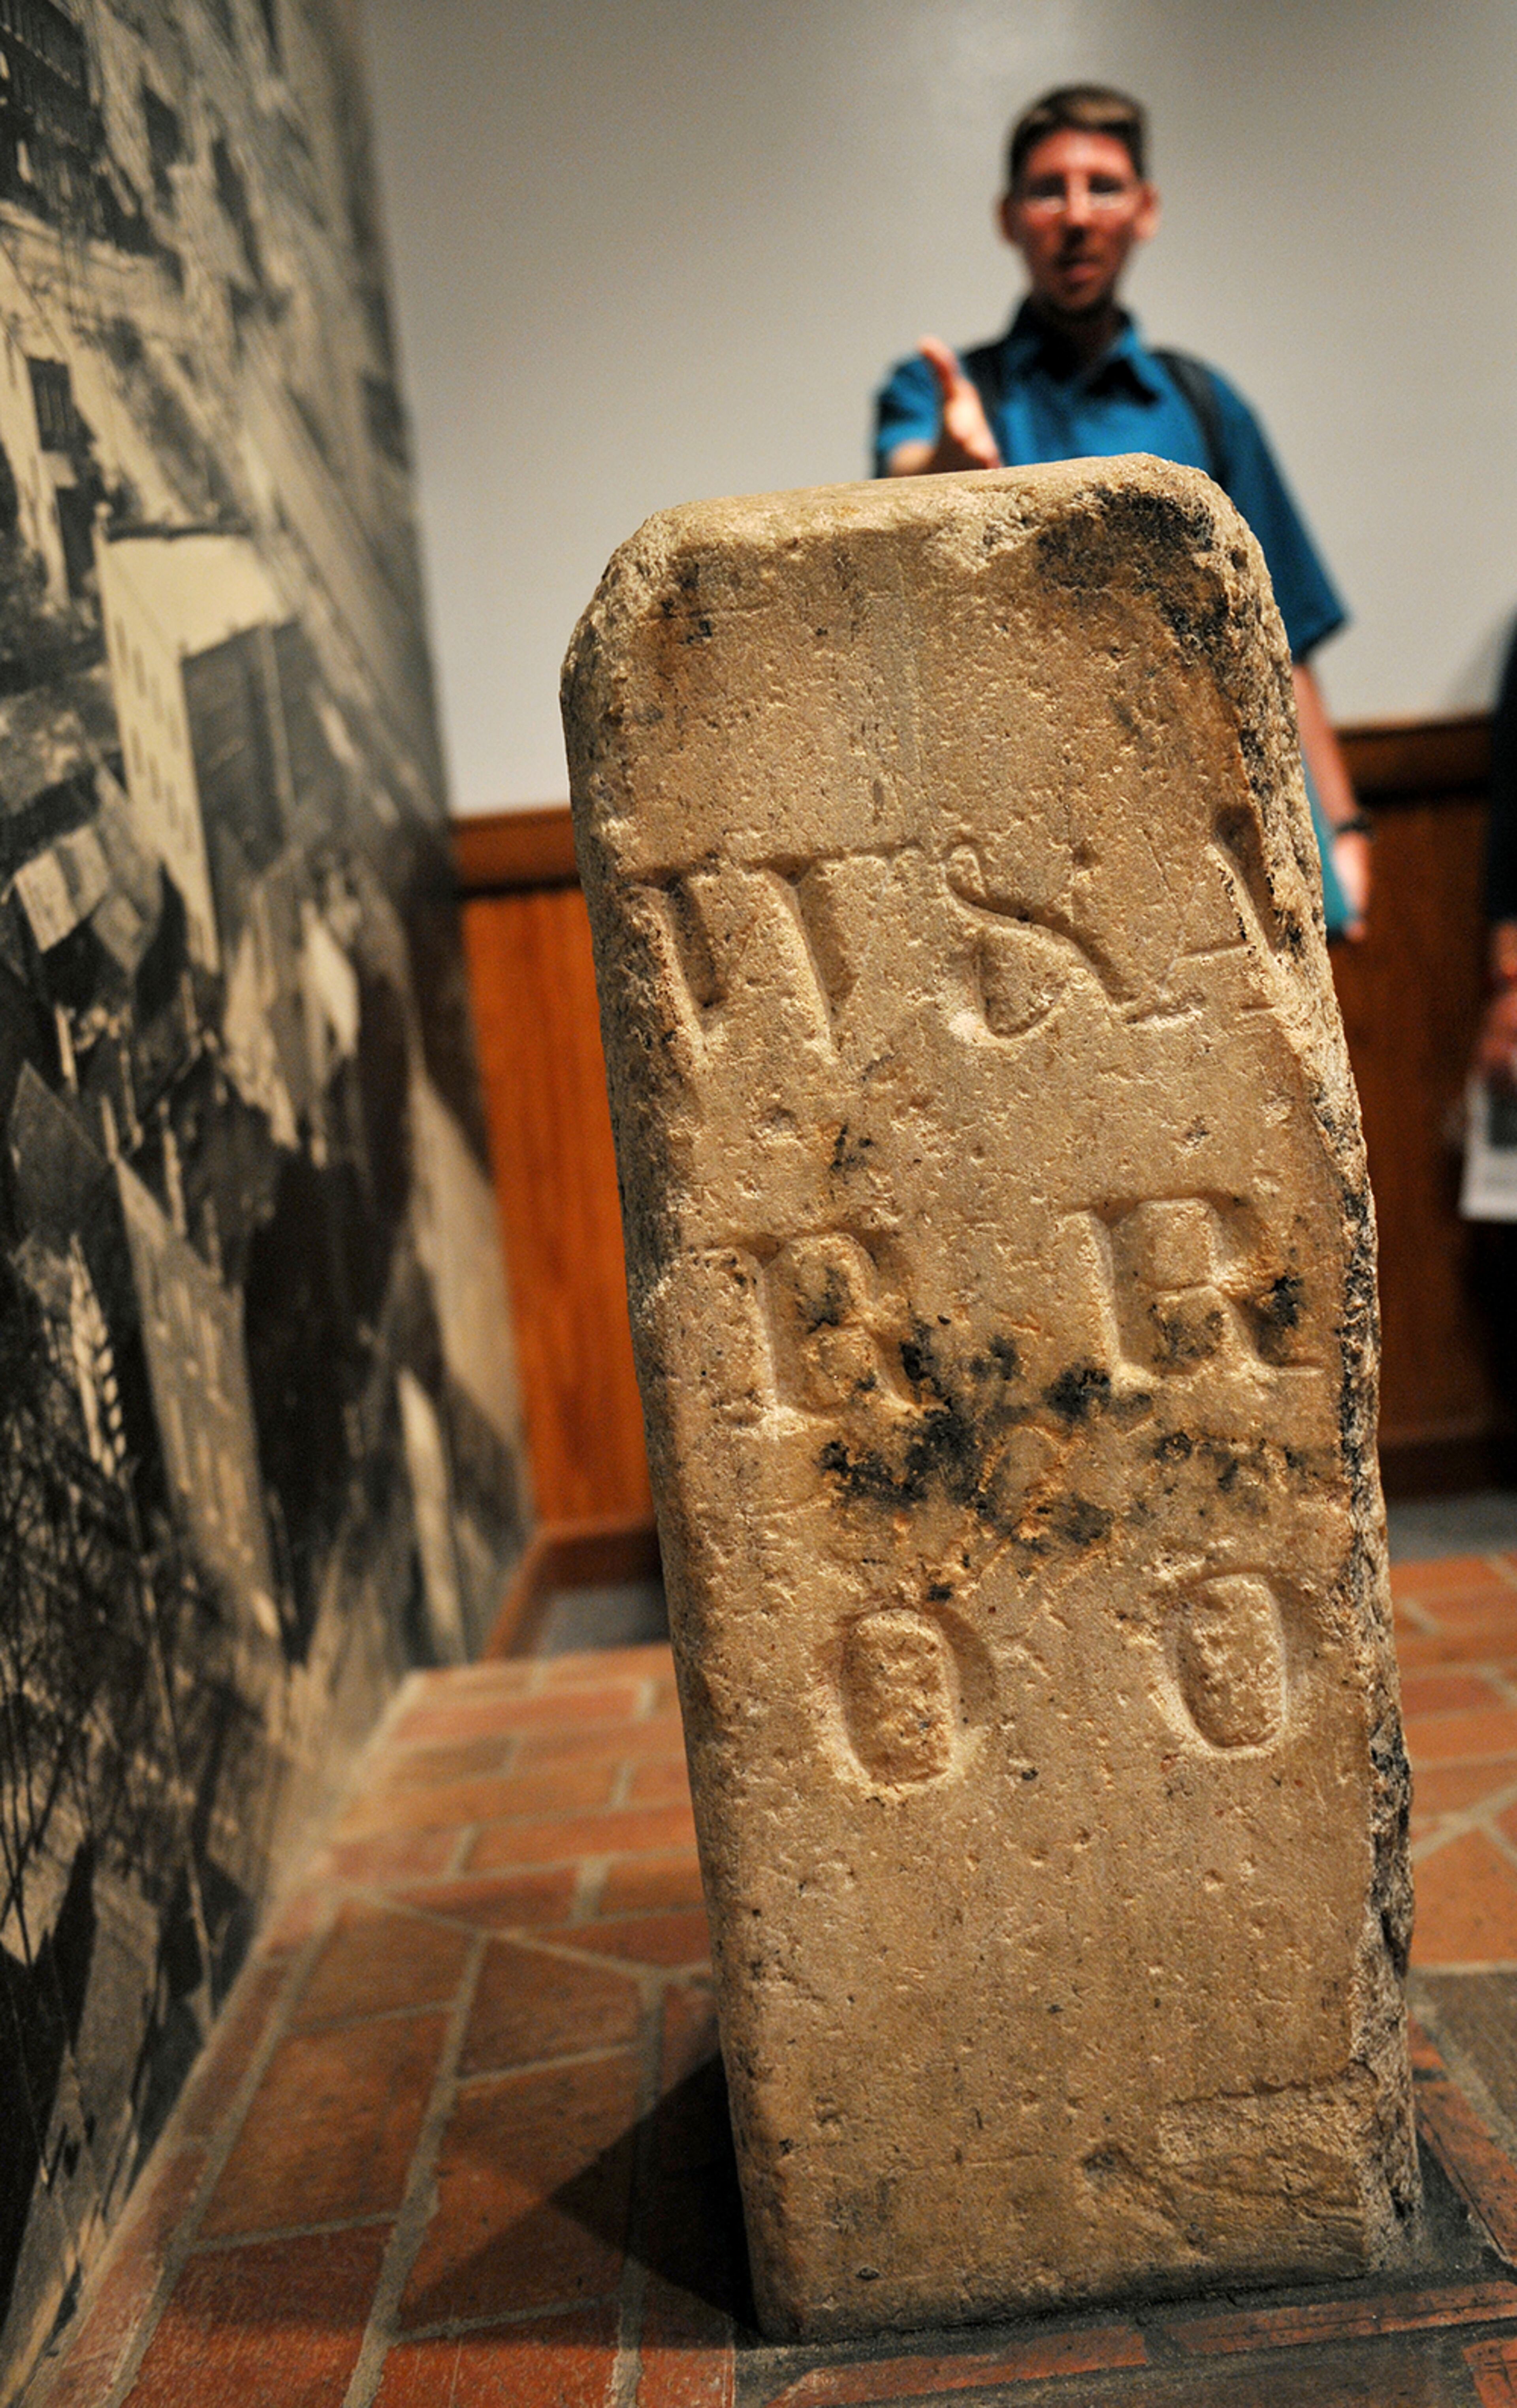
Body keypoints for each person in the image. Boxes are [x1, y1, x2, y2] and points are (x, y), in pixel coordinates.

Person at [874, 83, 1373, 938]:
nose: (1076, 215)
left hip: (1214, 830)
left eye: (1103, 187)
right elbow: (904, 481)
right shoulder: (943, 390)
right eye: (1047, 190)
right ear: (1008, 218)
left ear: (1145, 210)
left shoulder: (1204, 404)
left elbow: (1281, 635)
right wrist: (956, 459)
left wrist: (1345, 829)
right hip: (1025, 842)